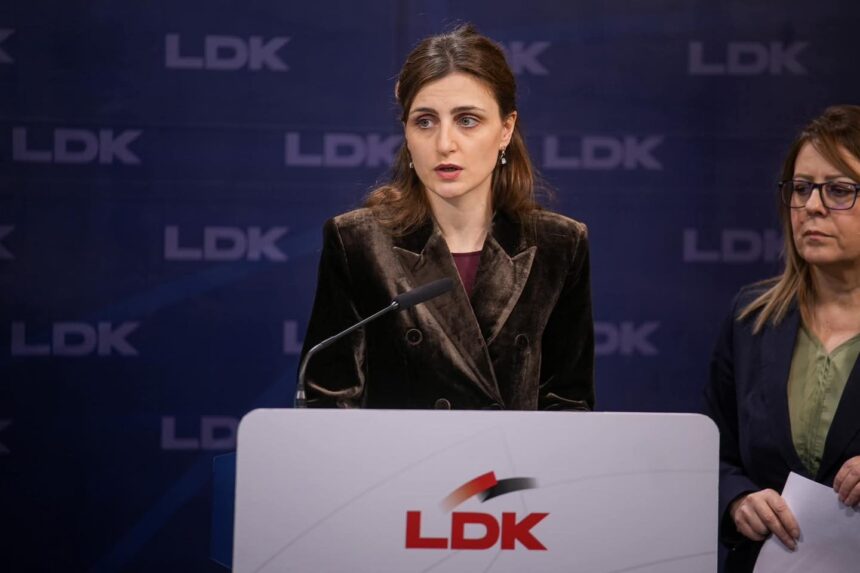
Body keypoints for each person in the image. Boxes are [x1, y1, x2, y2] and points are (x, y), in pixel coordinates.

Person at [299, 24, 594, 410]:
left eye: (467, 120)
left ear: (505, 130)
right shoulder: (358, 243)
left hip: (511, 454)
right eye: (425, 121)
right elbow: (328, 406)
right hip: (399, 452)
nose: (444, 144)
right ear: (406, 134)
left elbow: (568, 408)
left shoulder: (559, 245)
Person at [705, 105, 860, 572]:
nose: (812, 206)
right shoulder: (751, 317)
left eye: (838, 190)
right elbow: (715, 454)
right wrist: (738, 500)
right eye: (801, 188)